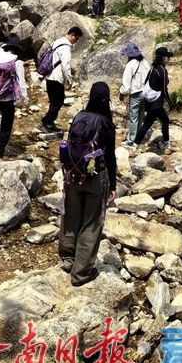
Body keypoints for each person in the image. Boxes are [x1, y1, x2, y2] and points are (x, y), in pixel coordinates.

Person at [58, 81, 117, 287]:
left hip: (73, 175)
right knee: (91, 223)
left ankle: (67, 258)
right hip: (95, 178)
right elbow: (110, 158)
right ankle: (81, 273)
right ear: (106, 99)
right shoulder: (106, 124)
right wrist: (112, 186)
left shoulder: (79, 117)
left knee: (71, 215)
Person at [39, 26, 82, 132]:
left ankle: (48, 121)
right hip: (57, 78)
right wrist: (69, 79)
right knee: (58, 102)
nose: (75, 42)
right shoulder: (66, 47)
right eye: (76, 39)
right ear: (72, 35)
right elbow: (66, 64)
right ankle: (47, 122)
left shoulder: (57, 41)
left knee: (54, 101)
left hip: (49, 76)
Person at [132, 47, 173, 153]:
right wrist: (170, 102)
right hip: (157, 103)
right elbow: (164, 89)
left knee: (148, 123)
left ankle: (135, 145)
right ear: (164, 58)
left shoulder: (153, 68)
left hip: (149, 101)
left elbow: (146, 82)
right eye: (168, 57)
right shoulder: (162, 71)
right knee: (164, 121)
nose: (169, 59)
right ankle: (167, 143)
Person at [118, 42, 150, 146]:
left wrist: (122, 93)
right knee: (141, 116)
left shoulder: (131, 64)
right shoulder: (145, 62)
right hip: (145, 92)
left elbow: (126, 83)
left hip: (135, 93)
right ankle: (138, 137)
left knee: (133, 117)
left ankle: (131, 140)